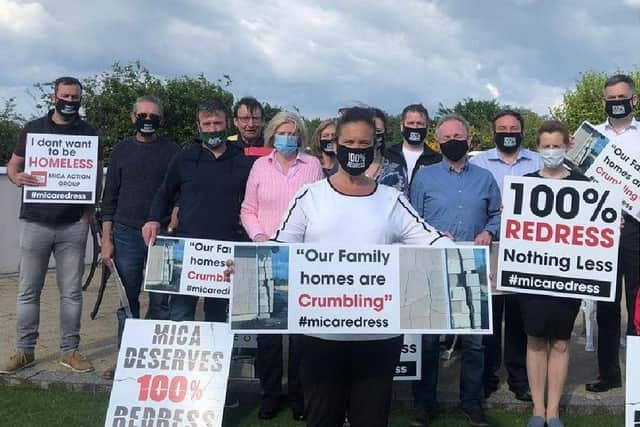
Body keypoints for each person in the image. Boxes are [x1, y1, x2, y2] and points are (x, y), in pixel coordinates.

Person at [273, 106, 452, 427]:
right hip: (320, 339)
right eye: (349, 143)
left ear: (375, 146)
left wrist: (470, 264)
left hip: (377, 341)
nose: (356, 150)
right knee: (321, 420)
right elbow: (279, 249)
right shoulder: (309, 196)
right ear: (336, 145)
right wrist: (245, 267)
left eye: (363, 144)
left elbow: (432, 241)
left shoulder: (391, 200)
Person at [1, 76, 103, 374]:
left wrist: (89, 209)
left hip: (74, 224)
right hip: (35, 222)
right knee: (28, 290)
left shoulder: (89, 132)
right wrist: (15, 178)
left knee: (71, 292)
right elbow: (13, 165)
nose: (70, 101)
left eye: (75, 97)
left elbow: (95, 174)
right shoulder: (33, 129)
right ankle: (24, 350)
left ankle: (70, 351)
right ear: (54, 96)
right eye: (66, 96)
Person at [409, 114, 500, 427]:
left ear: (469, 138)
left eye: (457, 135)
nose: (452, 141)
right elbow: (411, 221)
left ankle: (472, 402)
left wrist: (489, 231)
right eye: (446, 137)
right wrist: (433, 236)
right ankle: (424, 403)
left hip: (472, 265)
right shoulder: (424, 177)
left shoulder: (486, 178)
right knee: (429, 341)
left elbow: (497, 216)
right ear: (438, 141)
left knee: (474, 342)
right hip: (434, 266)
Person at [240, 111, 322, 420]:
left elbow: (318, 208)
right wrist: (259, 236)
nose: (288, 138)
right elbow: (248, 209)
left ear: (301, 137)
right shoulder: (260, 166)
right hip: (265, 256)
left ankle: (300, 396)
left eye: (294, 133)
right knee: (268, 335)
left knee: (301, 337)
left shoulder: (312, 166)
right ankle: (270, 395)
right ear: (272, 136)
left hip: (302, 259)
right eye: (282, 133)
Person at [142, 99, 252, 322]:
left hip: (226, 249)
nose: (213, 128)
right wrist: (153, 219)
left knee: (218, 315)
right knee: (180, 312)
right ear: (199, 126)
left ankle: (217, 357)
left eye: (217, 123)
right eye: (207, 124)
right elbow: (164, 192)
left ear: (227, 124)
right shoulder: (184, 157)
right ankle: (180, 357)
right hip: (188, 248)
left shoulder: (243, 160)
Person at [100, 95, 180, 378]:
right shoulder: (121, 150)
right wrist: (106, 240)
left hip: (161, 237)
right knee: (127, 301)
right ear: (133, 117)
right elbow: (108, 199)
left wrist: (171, 221)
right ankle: (126, 358)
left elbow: (178, 193)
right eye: (143, 115)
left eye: (154, 116)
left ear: (160, 120)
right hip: (124, 234)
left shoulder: (172, 151)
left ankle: (154, 358)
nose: (148, 121)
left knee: (160, 302)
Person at [520, 120, 589, 427]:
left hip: (568, 277)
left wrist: (612, 226)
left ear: (567, 146)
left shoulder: (584, 185)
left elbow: (594, 230)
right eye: (545, 146)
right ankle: (538, 409)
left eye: (556, 146)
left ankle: (554, 411)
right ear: (538, 148)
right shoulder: (525, 183)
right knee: (535, 340)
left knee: (560, 342)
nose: (551, 151)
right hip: (533, 277)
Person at [470, 109, 541, 401]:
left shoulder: (536, 161)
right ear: (493, 132)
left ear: (522, 132)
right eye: (502, 127)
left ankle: (518, 378)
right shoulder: (479, 162)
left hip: (525, 249)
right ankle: (487, 376)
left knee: (518, 318)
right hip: (490, 245)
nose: (508, 131)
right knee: (489, 316)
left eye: (513, 127)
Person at [587, 74, 640, 393]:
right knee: (604, 304)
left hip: (636, 230)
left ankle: (636, 373)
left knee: (637, 304)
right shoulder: (592, 137)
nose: (616, 102)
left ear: (633, 100)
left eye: (622, 96)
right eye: (611, 97)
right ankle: (609, 374)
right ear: (604, 101)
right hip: (601, 229)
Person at [378, 103, 440, 194]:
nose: (415, 127)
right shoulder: (387, 155)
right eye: (411, 123)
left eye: (420, 123)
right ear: (402, 126)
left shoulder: (437, 160)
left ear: (427, 128)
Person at [364, 108, 388, 179]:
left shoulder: (395, 169)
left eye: (378, 130)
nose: (373, 134)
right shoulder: (348, 167)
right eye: (368, 130)